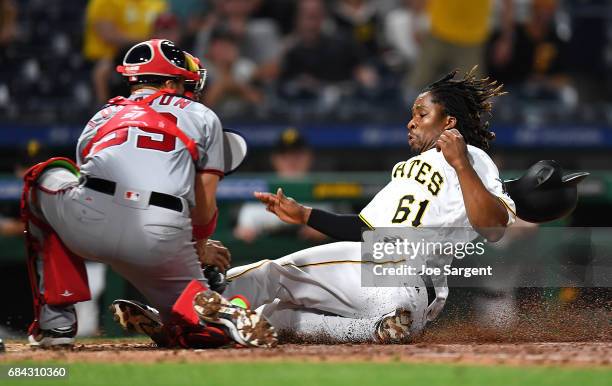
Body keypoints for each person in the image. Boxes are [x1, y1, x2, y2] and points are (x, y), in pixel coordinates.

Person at [114, 67, 516, 344]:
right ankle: (378, 330)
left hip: (398, 272)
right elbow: (365, 232)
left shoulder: (473, 159)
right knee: (275, 317)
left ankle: (176, 313)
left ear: (449, 122)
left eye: (421, 114)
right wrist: (305, 215)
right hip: (397, 297)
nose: (410, 122)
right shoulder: (408, 168)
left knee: (275, 272)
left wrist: (463, 162)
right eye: (411, 115)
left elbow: (494, 228)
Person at [22, 39, 276, 349]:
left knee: (41, 177)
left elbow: (84, 175)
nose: (188, 89)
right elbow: (204, 208)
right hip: (160, 233)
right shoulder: (202, 115)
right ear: (170, 82)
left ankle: (56, 326)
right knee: (195, 317)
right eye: (183, 82)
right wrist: (199, 246)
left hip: (89, 219)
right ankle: (211, 313)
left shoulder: (102, 116)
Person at [233, 128, 328, 243]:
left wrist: (327, 229)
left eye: (297, 154)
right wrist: (243, 233)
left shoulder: (326, 194)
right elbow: (243, 232)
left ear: (309, 157)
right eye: (284, 155)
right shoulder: (259, 198)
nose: (291, 161)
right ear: (274, 159)